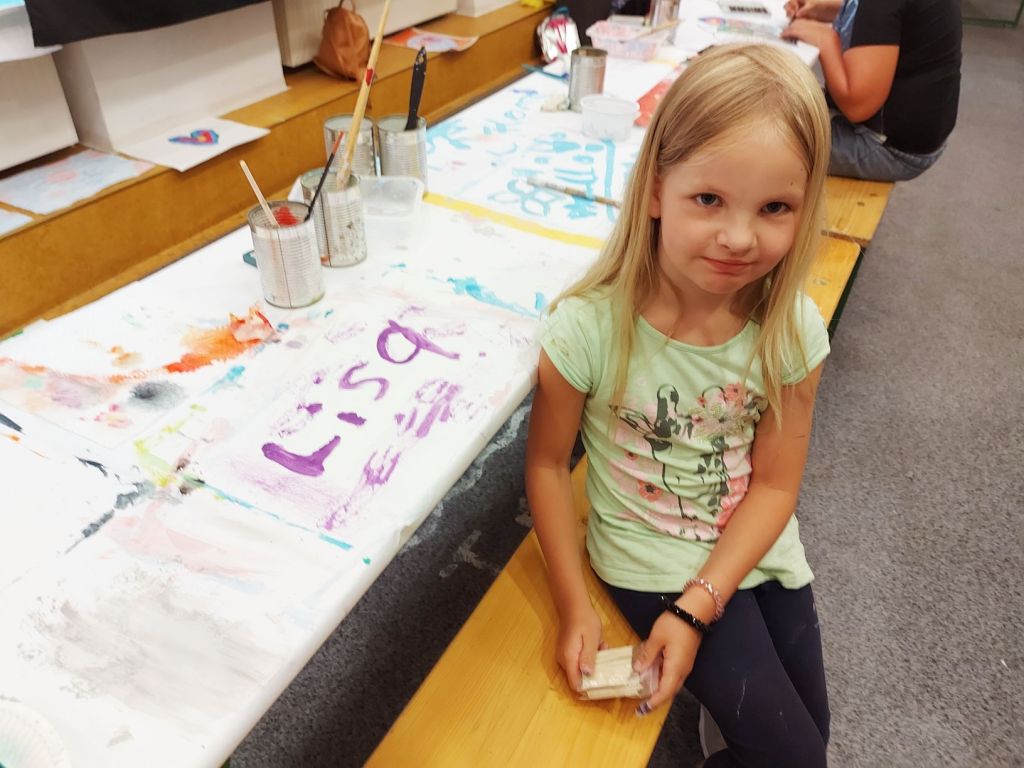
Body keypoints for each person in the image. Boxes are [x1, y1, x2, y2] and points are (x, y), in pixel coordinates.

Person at [525, 44, 833, 766]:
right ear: (657, 189)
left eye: (775, 208)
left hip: (755, 545)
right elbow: (545, 466)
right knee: (797, 758)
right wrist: (574, 605)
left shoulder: (791, 329)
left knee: (807, 743)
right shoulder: (590, 328)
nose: (739, 237)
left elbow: (776, 486)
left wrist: (699, 606)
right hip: (648, 555)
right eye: (709, 200)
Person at [782, 0, 962, 181]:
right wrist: (829, 9)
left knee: (766, 139)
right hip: (916, 135)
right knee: (778, 102)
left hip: (887, 149)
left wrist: (826, 41)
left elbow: (856, 107)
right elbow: (894, 18)